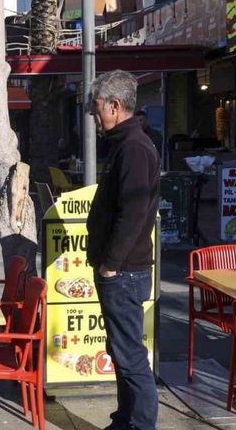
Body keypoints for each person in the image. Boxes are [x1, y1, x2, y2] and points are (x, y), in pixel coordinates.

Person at [86, 70, 160, 430]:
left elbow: (133, 213)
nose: (92, 115)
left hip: (124, 272)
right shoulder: (125, 145)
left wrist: (110, 265)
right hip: (120, 270)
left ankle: (140, 425)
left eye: (96, 107)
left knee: (131, 358)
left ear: (114, 106)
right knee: (121, 352)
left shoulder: (134, 147)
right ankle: (125, 420)